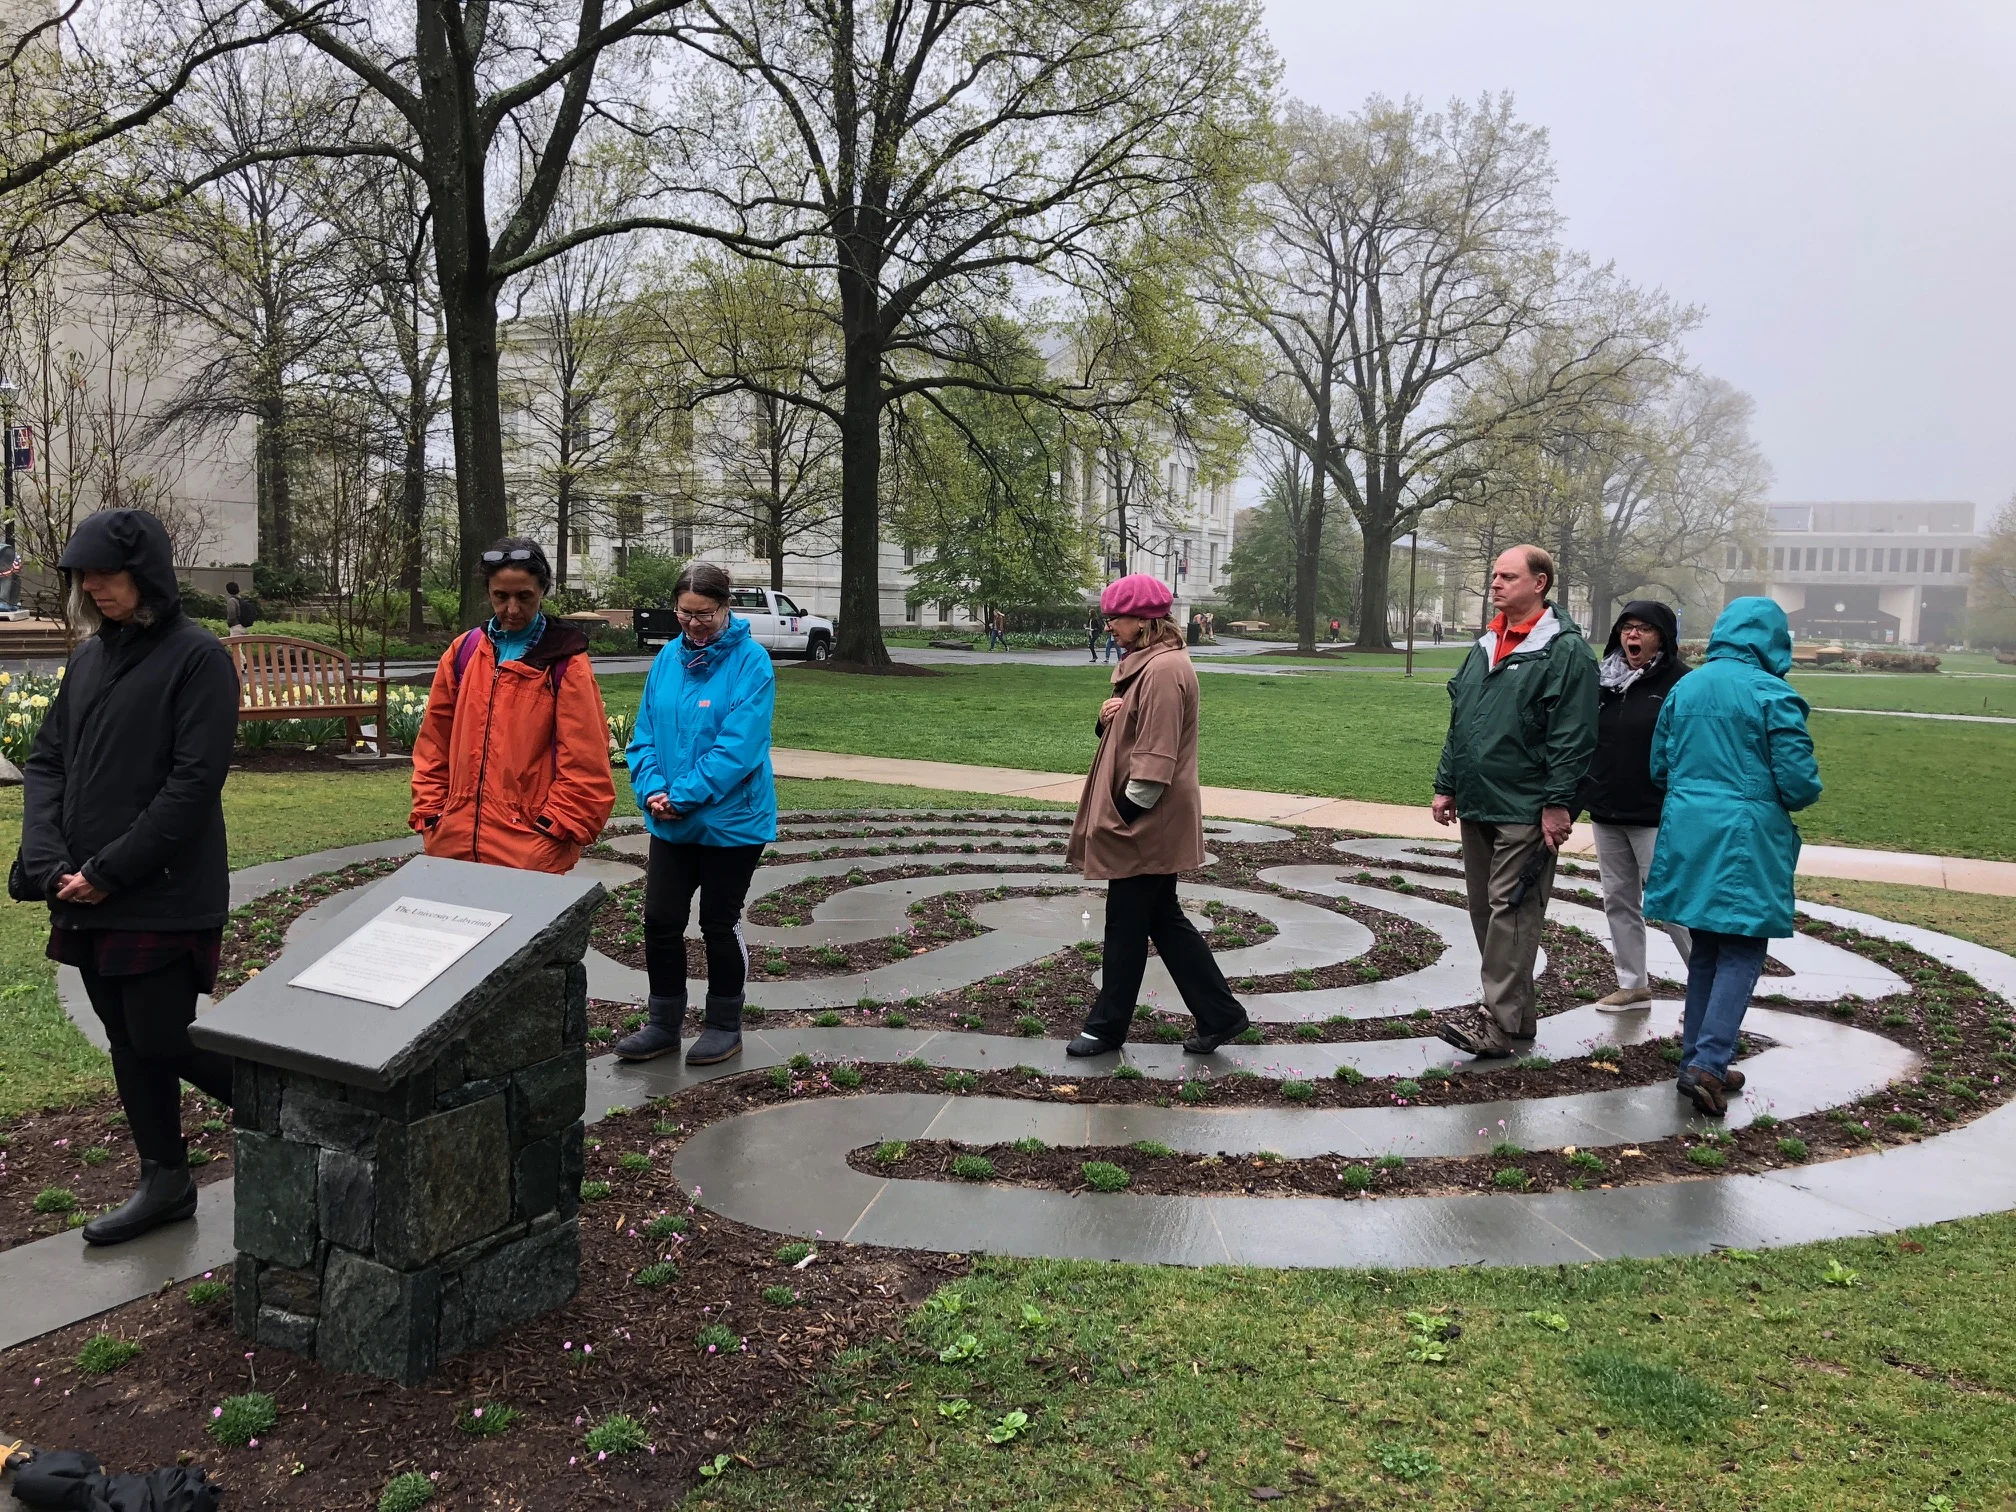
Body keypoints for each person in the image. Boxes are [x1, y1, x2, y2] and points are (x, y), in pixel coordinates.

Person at [20, 510, 240, 1245]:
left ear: (144, 574)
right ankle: (164, 1177)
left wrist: (112, 871)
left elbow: (193, 782)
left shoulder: (197, 657)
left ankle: (282, 1103)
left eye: (106, 576)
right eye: (84, 577)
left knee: (162, 1036)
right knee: (123, 1033)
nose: (94, 589)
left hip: (166, 891)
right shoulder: (88, 659)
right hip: (85, 889)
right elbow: (49, 761)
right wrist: (50, 862)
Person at [1644, 597, 1821, 1116]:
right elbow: (1798, 784)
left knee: (1706, 948)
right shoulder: (1772, 694)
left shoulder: (1686, 687)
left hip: (1690, 834)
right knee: (1743, 949)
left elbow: (1660, 766)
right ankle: (1708, 1064)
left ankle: (1699, 1059)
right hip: (1746, 838)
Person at [1065, 573, 1248, 1057]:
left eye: (1114, 618)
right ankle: (1221, 1014)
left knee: (1125, 924)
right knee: (1161, 919)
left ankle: (1106, 1028)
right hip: (1145, 819)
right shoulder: (1146, 667)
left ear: (1143, 619)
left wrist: (1120, 818)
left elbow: (1156, 759)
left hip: (1147, 821)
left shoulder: (1165, 670)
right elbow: (1135, 730)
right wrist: (1107, 718)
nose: (1109, 627)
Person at [1430, 545, 1598, 1058]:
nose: (1495, 584)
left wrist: (1557, 803)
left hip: (1526, 805)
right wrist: (1447, 782)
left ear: (1540, 583)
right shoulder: (1486, 643)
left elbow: (1573, 734)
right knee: (1487, 909)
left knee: (1513, 909)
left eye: (1508, 576)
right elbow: (1462, 719)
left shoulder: (1565, 651)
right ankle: (1518, 1017)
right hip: (1480, 799)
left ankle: (1497, 1023)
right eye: (1494, 576)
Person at [615, 562, 778, 1066]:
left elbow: (739, 748)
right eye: (684, 613)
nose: (693, 623)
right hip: (671, 818)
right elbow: (642, 736)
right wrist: (652, 791)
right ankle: (663, 1023)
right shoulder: (666, 658)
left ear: (725, 607)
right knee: (660, 919)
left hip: (732, 821)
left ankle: (724, 1024)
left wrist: (681, 795)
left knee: (717, 922)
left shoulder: (752, 664)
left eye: (703, 614)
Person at [409, 538, 615, 873]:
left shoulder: (565, 662)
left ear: (543, 590)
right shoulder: (464, 651)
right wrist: (432, 813)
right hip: (453, 842)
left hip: (529, 851)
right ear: (488, 591)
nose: (512, 609)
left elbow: (585, 763)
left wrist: (552, 832)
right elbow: (434, 744)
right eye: (500, 597)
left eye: (524, 596)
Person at [1577, 600, 1692, 1010]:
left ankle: (1706, 987)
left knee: (1673, 904)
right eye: (1627, 627)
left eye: (1644, 628)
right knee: (1619, 899)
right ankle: (1632, 983)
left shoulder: (1681, 683)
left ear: (1662, 636)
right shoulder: (1602, 681)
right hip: (1607, 808)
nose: (1633, 636)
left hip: (1656, 814)